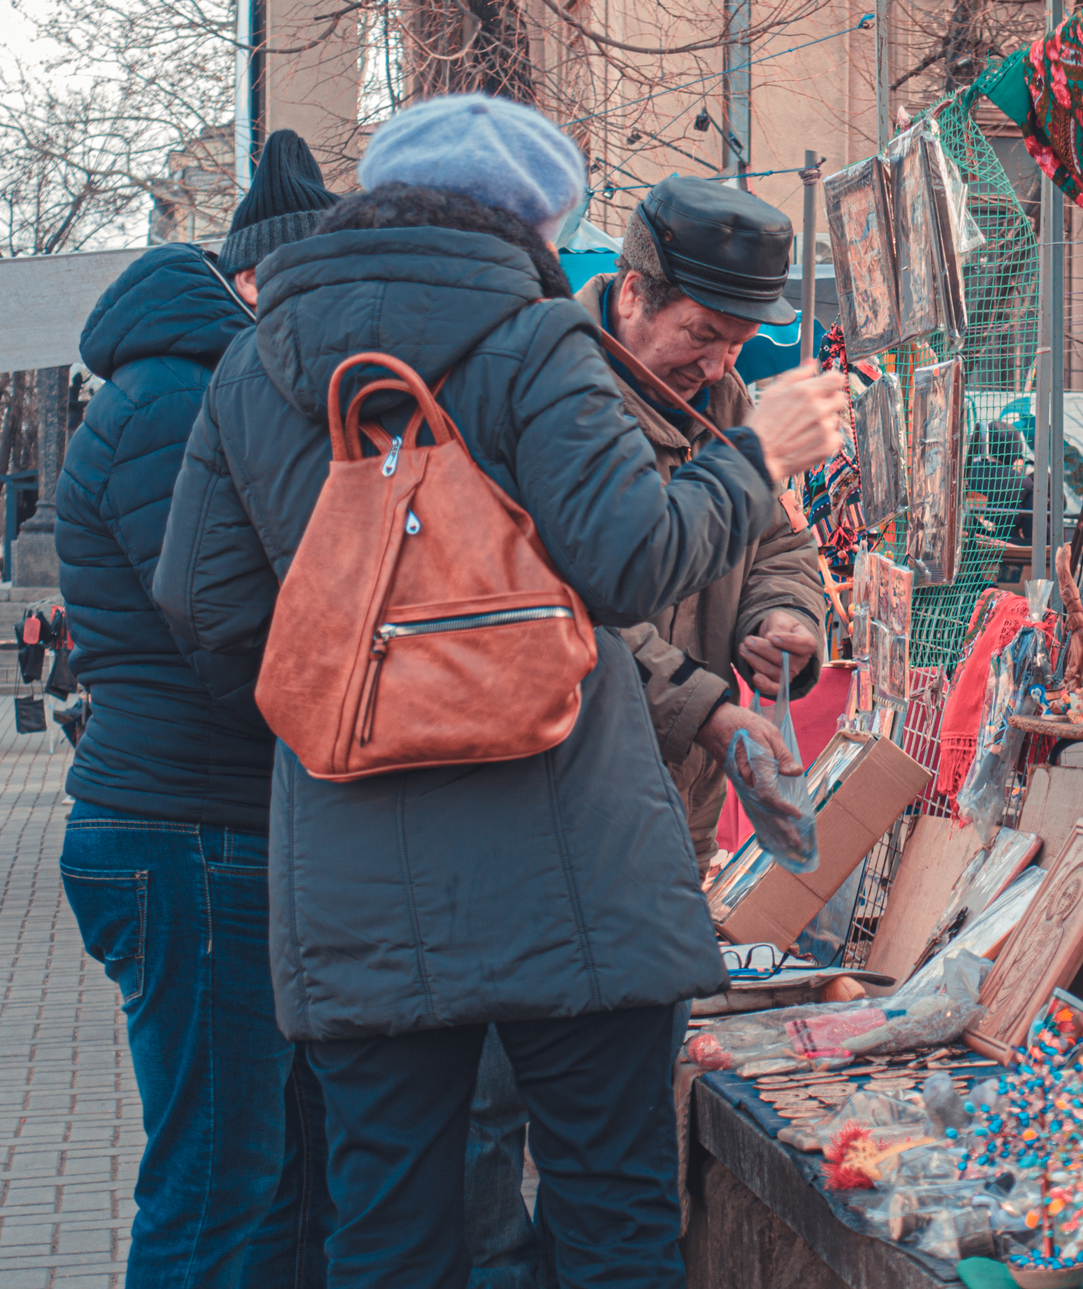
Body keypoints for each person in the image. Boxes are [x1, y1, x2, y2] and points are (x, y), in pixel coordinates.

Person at [152, 93, 846, 1288]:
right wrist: (755, 458)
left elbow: (203, 605)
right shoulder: (537, 347)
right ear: (538, 224)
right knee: (613, 1220)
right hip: (573, 856)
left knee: (387, 1235)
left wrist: (364, 671)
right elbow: (631, 557)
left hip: (355, 870)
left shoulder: (254, 364)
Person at [55, 128, 338, 1286]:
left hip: (202, 826)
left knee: (258, 1177)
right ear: (262, 284)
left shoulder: (193, 383)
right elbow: (223, 625)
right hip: (187, 831)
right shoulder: (180, 396)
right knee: (216, 1185)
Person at [580, 175, 828, 856]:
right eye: (702, 334)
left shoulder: (724, 400)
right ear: (633, 293)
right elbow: (578, 610)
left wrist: (784, 617)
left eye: (738, 344)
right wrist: (705, 710)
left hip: (680, 811)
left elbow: (776, 541)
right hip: (576, 811)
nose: (719, 366)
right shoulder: (561, 400)